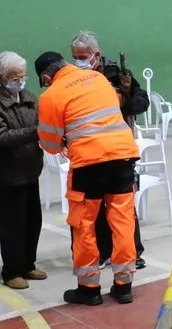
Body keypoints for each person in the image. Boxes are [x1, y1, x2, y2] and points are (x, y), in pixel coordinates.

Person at [36, 51, 140, 306]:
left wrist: (65, 140)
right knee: (122, 220)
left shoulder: (51, 95)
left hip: (88, 164)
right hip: (122, 156)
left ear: (46, 77)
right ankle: (124, 286)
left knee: (84, 224)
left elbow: (50, 144)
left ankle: (89, 288)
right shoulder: (98, 78)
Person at [69, 31, 148, 270]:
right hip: (89, 152)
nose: (79, 61)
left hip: (119, 151)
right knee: (94, 208)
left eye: (83, 56)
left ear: (97, 54)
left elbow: (142, 103)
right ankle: (103, 252)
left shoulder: (117, 75)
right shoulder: (72, 79)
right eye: (75, 57)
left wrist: (124, 100)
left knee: (123, 207)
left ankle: (133, 252)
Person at [0, 52, 46, 289]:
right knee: (12, 225)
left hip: (31, 170)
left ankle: (28, 264)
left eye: (23, 76)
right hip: (8, 175)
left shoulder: (29, 97)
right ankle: (11, 271)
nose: (20, 81)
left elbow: (41, 122)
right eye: (14, 77)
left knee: (33, 221)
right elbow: (3, 137)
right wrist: (35, 131)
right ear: (2, 77)